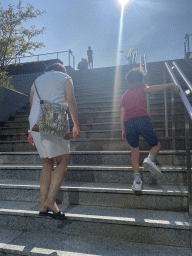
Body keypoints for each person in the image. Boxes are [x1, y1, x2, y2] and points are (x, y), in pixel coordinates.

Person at [28, 63, 80, 219]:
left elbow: (32, 107)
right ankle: (50, 201)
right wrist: (76, 123)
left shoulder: (36, 81)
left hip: (36, 123)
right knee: (63, 162)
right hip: (55, 121)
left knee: (47, 163)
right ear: (61, 70)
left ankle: (42, 205)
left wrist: (29, 131)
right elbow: (71, 100)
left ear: (47, 70)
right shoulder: (65, 77)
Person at [119, 68, 179, 191]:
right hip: (142, 119)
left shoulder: (124, 95)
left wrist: (122, 130)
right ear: (140, 79)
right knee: (156, 144)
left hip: (128, 123)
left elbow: (122, 114)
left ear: (128, 82)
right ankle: (149, 159)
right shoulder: (141, 86)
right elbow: (151, 89)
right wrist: (169, 85)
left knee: (134, 152)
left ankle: (137, 182)